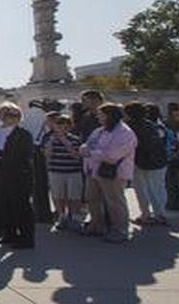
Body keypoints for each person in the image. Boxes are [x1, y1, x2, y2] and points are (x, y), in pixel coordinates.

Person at [79, 103, 137, 243]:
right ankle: (97, 225)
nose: (98, 117)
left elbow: (113, 155)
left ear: (110, 116)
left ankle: (121, 230)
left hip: (114, 173)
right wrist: (84, 148)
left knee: (115, 202)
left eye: (101, 115)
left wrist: (91, 152)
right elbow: (88, 143)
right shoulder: (99, 130)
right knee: (92, 198)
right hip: (93, 171)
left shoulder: (125, 133)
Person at [0, 102, 35, 249]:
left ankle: (26, 238)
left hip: (19, 174)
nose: (7, 118)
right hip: (2, 172)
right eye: (5, 115)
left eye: (12, 115)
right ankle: (10, 234)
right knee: (5, 205)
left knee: (21, 207)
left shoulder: (23, 134)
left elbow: (22, 154)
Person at [124, 102, 170, 226]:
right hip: (159, 160)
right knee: (158, 188)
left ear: (128, 114)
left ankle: (146, 215)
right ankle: (161, 214)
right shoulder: (151, 124)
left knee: (141, 189)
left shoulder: (129, 127)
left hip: (141, 162)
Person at [42, 113, 85, 231]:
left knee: (74, 196)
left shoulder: (75, 139)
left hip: (73, 171)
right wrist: (50, 143)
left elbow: (76, 156)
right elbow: (47, 155)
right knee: (58, 195)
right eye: (60, 127)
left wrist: (65, 141)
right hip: (56, 171)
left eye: (66, 127)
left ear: (70, 127)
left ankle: (75, 217)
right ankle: (62, 217)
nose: (62, 130)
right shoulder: (49, 138)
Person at [164, 103, 179, 216]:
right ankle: (176, 203)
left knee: (171, 180)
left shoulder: (168, 123)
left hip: (172, 154)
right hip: (178, 153)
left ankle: (173, 203)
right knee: (173, 181)